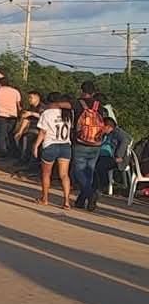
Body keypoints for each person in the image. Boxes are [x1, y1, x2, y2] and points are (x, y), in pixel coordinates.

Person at [69, 81, 106, 209]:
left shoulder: (77, 103)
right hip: (96, 143)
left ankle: (90, 194)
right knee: (89, 171)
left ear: (81, 90)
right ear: (94, 92)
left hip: (80, 142)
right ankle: (81, 201)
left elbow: (65, 106)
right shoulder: (100, 106)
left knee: (79, 171)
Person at [33, 93, 74, 209]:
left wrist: (36, 145)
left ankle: (45, 198)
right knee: (64, 175)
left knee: (46, 174)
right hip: (65, 145)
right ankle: (66, 201)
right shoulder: (67, 114)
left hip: (50, 145)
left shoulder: (47, 113)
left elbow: (43, 132)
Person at [89, 117, 132, 211]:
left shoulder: (118, 133)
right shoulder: (106, 133)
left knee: (100, 168)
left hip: (115, 158)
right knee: (94, 166)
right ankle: (94, 191)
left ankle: (100, 187)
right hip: (103, 155)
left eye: (103, 127)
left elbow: (126, 140)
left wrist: (119, 155)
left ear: (108, 127)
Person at [0, 76, 22, 157]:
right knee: (10, 134)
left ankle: (3, 152)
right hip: (13, 115)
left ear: (0, 84)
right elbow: (18, 105)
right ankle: (13, 151)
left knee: (2, 135)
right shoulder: (15, 91)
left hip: (1, 115)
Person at [14, 91, 43, 161]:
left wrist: (32, 113)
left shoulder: (42, 107)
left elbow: (43, 116)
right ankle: (23, 156)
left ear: (37, 98)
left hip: (39, 130)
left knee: (26, 138)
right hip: (31, 129)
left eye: (31, 98)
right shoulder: (31, 107)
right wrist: (20, 131)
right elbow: (26, 120)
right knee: (18, 137)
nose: (29, 99)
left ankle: (25, 159)